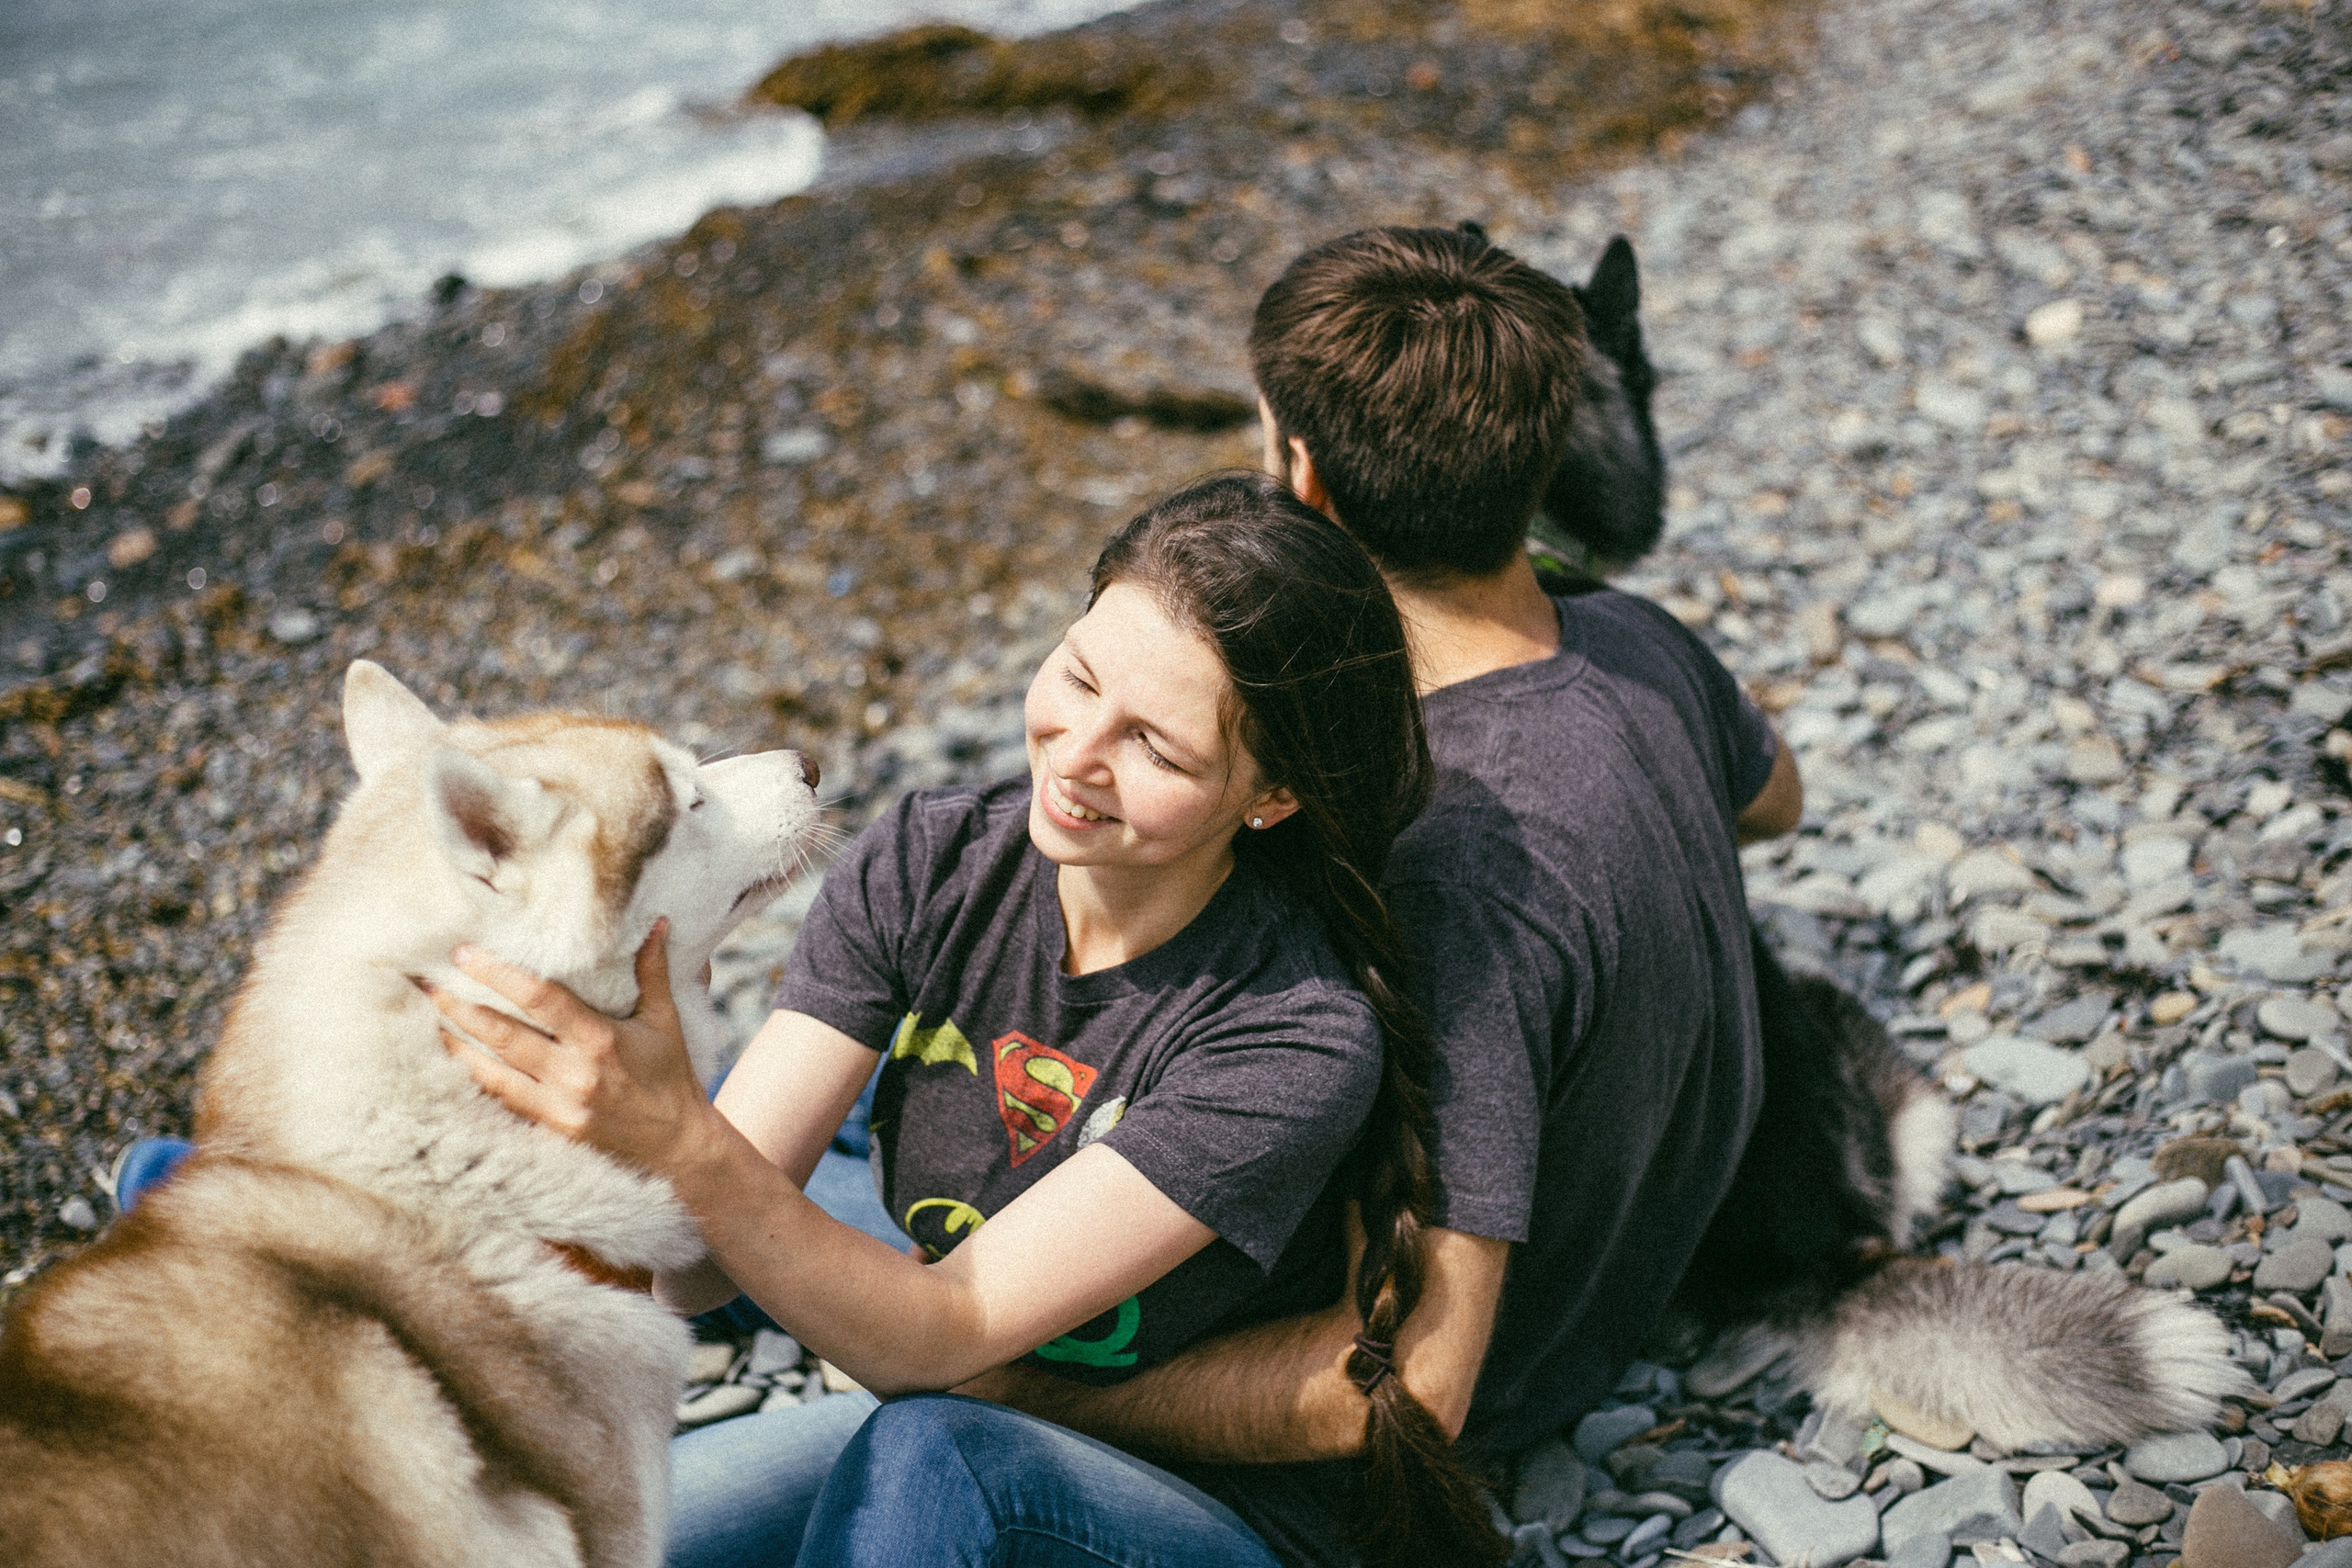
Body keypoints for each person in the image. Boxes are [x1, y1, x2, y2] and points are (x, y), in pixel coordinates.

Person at [803, 226, 1804, 1568]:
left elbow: (1412, 1380)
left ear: (1303, 476)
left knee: (827, 1204)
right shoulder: (1636, 642)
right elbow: (1777, 797)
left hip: (1288, 1444)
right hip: (1621, 1277)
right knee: (820, 1116)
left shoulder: (1424, 856)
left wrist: (995, 1379)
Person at [430, 471, 1491, 1567]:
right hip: (955, 1406)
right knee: (548, 1541)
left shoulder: (1289, 1035)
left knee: (930, 1454)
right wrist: (643, 1028)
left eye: (1154, 747)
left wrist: (678, 1137)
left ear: (1270, 797)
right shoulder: (936, 861)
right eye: (1077, 677)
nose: (1076, 755)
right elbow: (693, 1272)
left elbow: (939, 1336)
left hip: (1199, 1507)